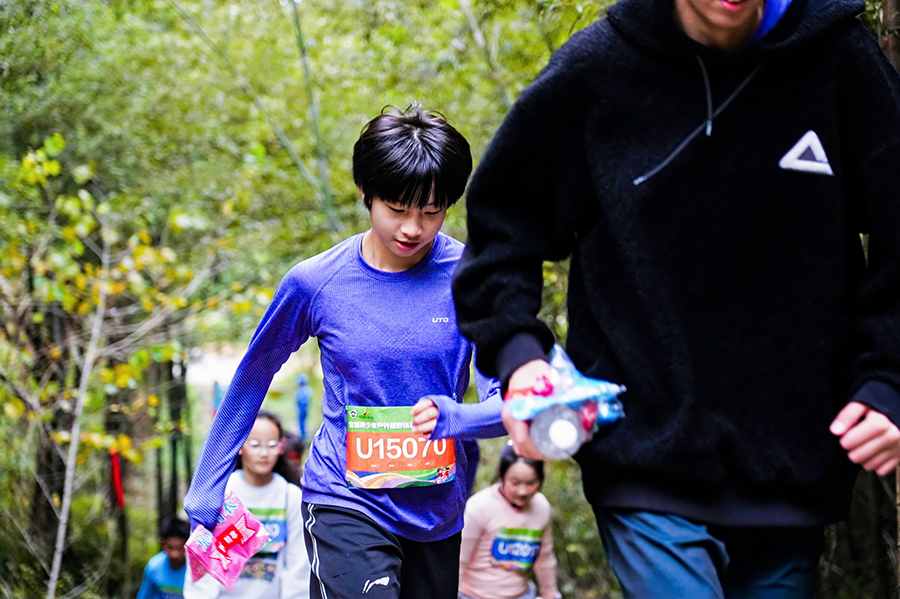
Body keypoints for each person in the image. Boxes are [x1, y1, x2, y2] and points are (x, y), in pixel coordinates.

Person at [451, 0, 900, 595]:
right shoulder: (598, 68)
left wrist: (887, 378)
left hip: (794, 471)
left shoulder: (840, 59)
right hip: (644, 459)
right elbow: (504, 228)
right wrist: (520, 357)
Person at [183, 105, 506, 599]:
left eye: (431, 211)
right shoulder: (316, 283)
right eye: (397, 208)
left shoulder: (472, 278)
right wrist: (209, 478)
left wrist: (458, 419)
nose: (413, 228)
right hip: (344, 498)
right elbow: (254, 375)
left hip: (437, 510)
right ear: (366, 193)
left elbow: (513, 404)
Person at [184, 410, 309, 599]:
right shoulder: (220, 494)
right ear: (240, 445)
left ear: (281, 446)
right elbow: (202, 559)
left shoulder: (290, 497)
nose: (264, 453)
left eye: (271, 444)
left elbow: (298, 567)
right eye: (255, 444)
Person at [458, 443, 559, 599]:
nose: (523, 491)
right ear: (502, 476)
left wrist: (551, 595)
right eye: (515, 483)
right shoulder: (479, 507)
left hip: (522, 595)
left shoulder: (541, 507)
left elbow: (545, 558)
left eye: (531, 483)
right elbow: (460, 561)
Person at [136, 516, 190, 599]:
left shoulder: (196, 569)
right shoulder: (153, 567)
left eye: (180, 548)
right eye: (170, 548)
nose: (174, 554)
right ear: (162, 544)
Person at [294, 374, 312, 441]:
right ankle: (303, 436)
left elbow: (300, 400)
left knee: (302, 423)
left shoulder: (301, 390)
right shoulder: (307, 389)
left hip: (302, 409)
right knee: (302, 422)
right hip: (304, 408)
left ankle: (303, 437)